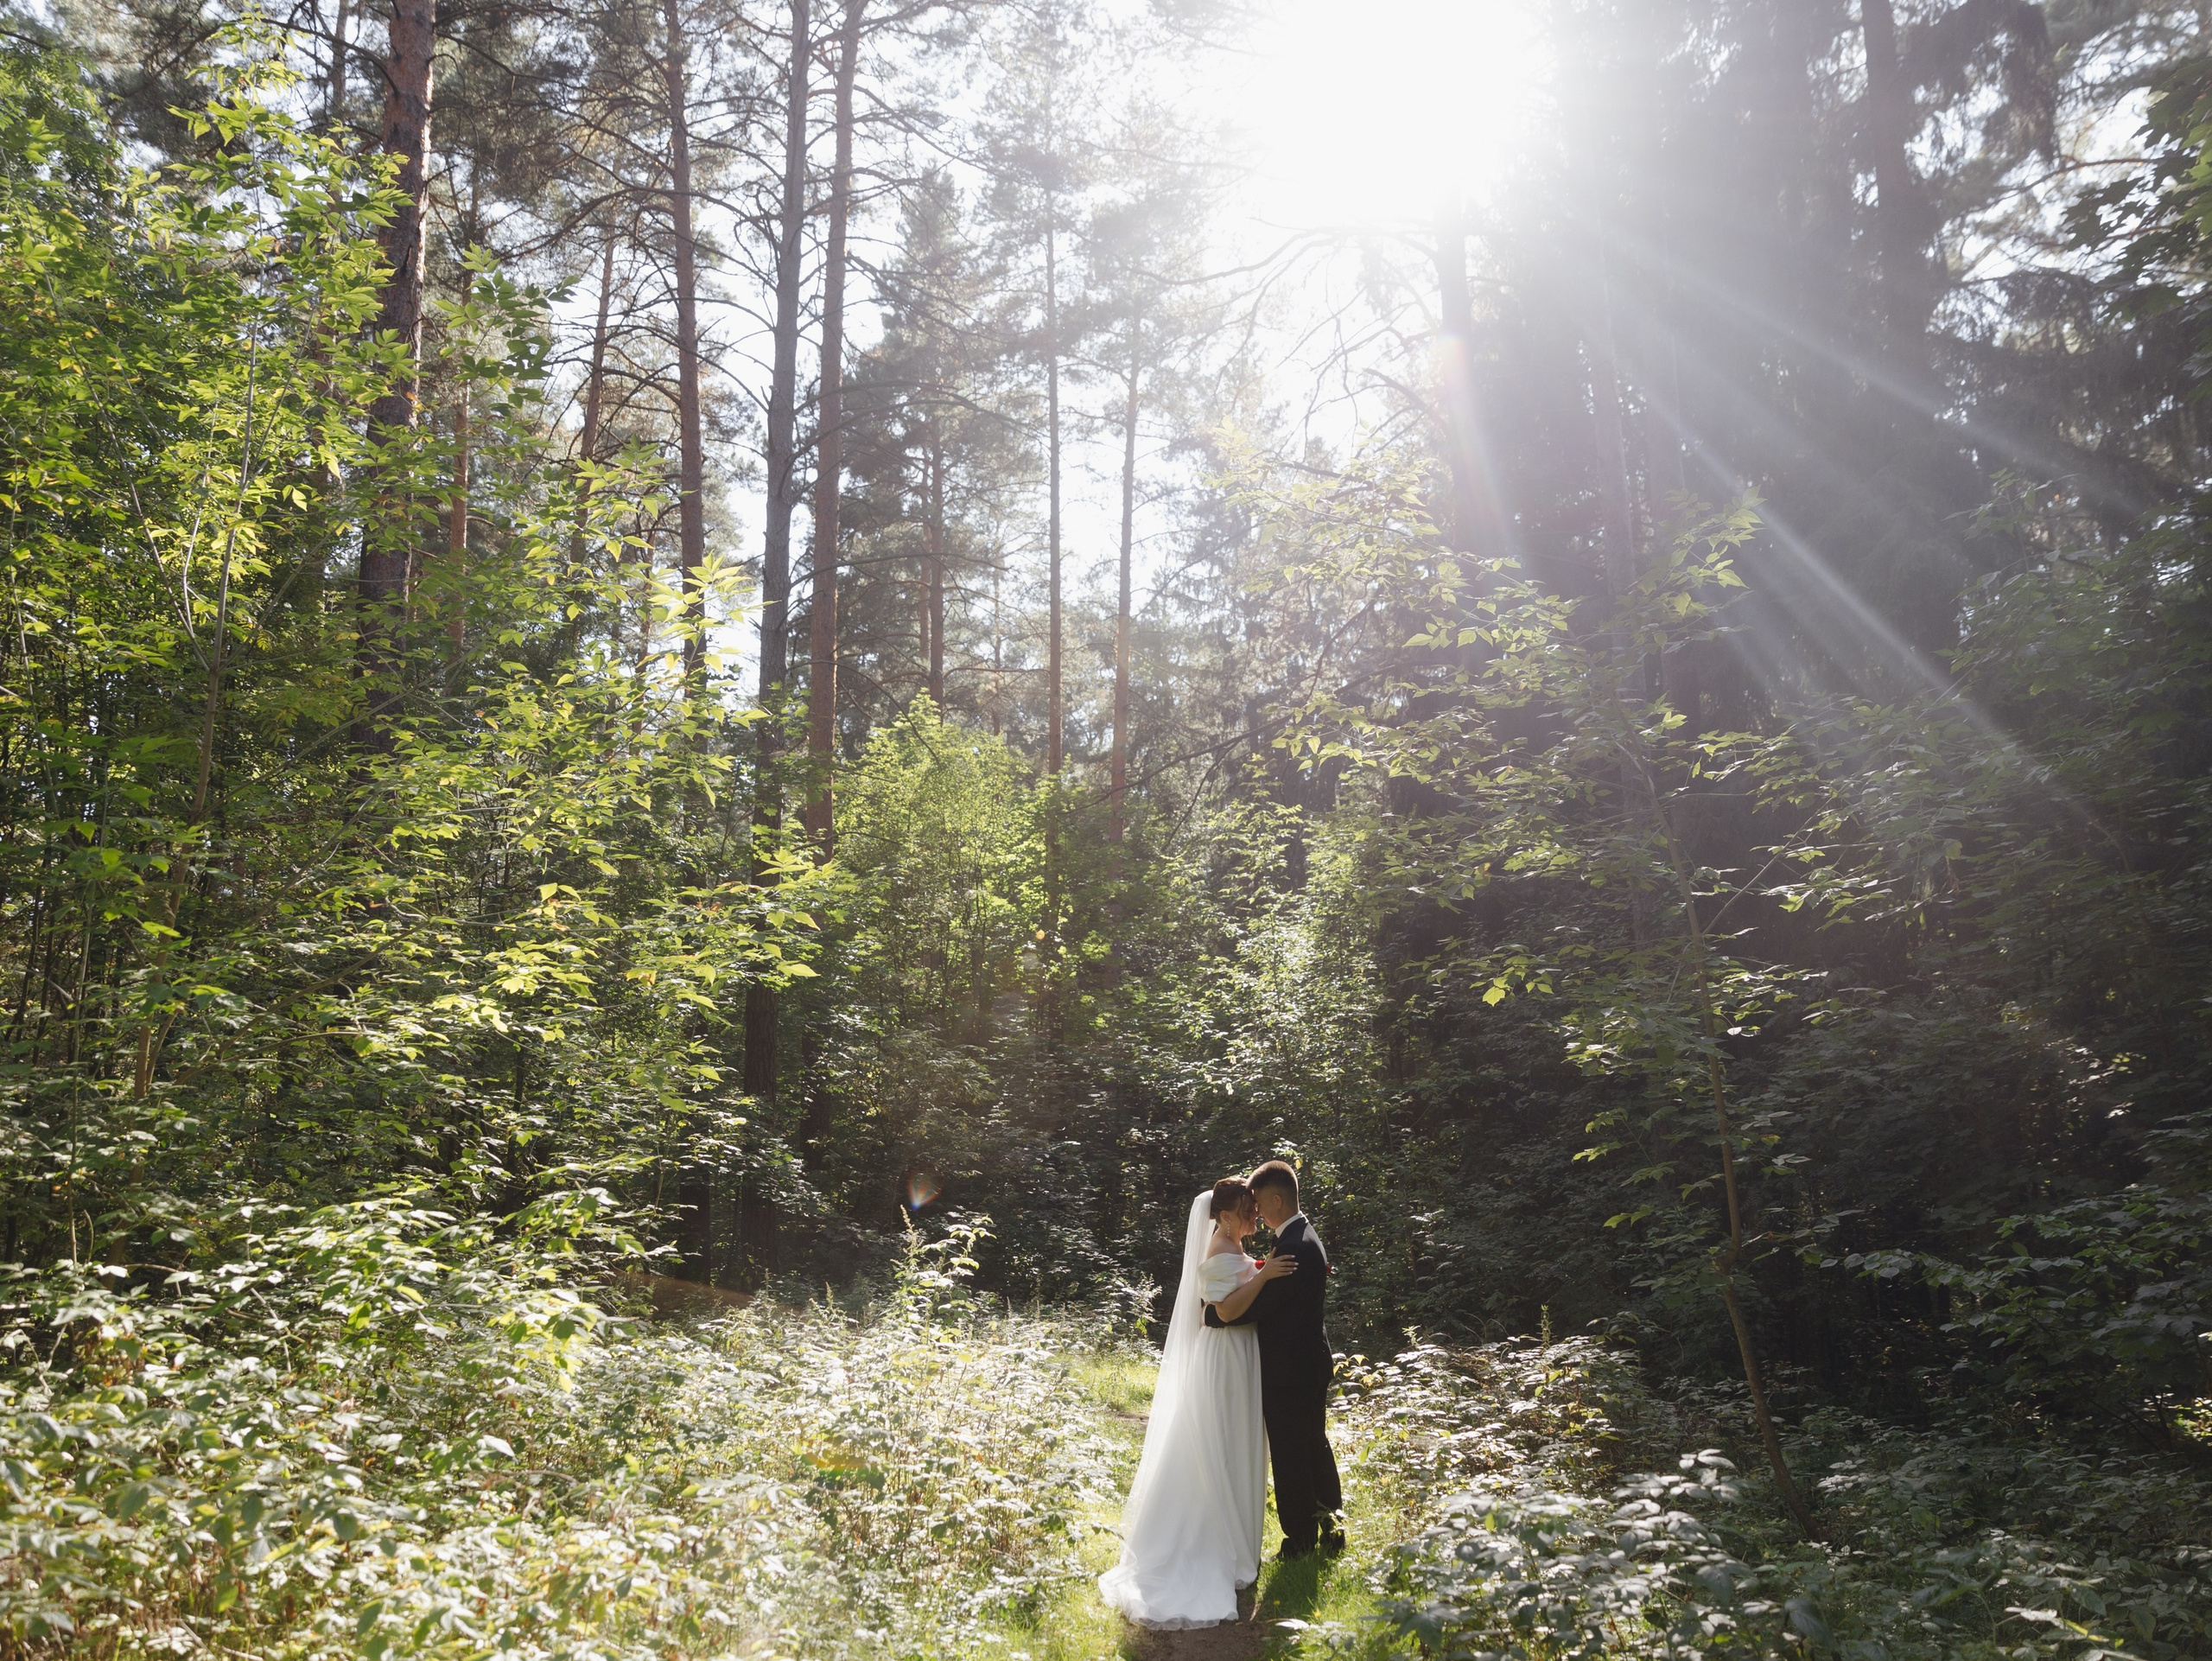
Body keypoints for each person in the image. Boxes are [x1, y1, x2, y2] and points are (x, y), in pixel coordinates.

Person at [1098, 1177, 1294, 1627]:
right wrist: (1262, 1274)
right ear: (1224, 1216)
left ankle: (1237, 1541)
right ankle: (1217, 1542)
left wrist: (1256, 1271)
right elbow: (1223, 1312)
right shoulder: (1219, 1250)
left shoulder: (1231, 1246)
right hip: (1225, 1358)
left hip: (1241, 1354)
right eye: (1247, 1210)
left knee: (1236, 1442)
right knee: (1223, 1442)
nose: (1254, 1216)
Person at [1205, 1160, 1344, 1560]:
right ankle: (1331, 1533)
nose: (1256, 1214)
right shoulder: (1297, 1235)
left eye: (1260, 1206)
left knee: (1292, 1457)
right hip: (1304, 1365)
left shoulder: (1294, 1247)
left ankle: (1300, 1541)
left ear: (1277, 1200)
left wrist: (1213, 1314)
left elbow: (1257, 1308)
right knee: (1313, 1449)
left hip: (1291, 1373)